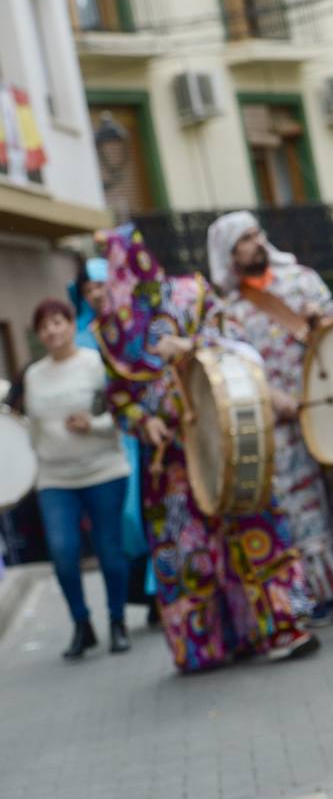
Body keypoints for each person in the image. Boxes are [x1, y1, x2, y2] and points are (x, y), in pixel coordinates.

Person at [96, 224, 319, 673]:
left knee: (257, 526)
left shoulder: (191, 294)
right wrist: (147, 422)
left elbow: (238, 344)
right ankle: (206, 643)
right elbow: (119, 399)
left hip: (225, 431)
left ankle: (285, 622)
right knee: (188, 548)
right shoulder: (113, 330)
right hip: (172, 460)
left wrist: (191, 345)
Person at [207, 211, 333, 620]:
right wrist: (271, 397)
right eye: (244, 240)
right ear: (230, 254)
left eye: (257, 234)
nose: (256, 243)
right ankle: (326, 592)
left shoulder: (302, 280)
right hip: (287, 416)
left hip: (329, 399)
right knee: (303, 506)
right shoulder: (230, 311)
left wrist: (322, 319)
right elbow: (237, 368)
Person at [22, 298, 132, 659]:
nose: (52, 330)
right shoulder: (33, 376)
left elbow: (120, 415)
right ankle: (81, 624)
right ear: (38, 335)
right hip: (55, 478)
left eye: (58, 322)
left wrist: (94, 425)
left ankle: (118, 621)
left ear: (71, 324)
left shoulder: (95, 365)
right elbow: (30, 430)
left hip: (104, 471)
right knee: (63, 552)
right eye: (44, 326)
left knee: (110, 551)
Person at [71, 258, 152, 622]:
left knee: (152, 510)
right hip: (113, 439)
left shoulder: (138, 325)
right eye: (89, 289)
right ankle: (144, 593)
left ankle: (161, 591)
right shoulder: (82, 338)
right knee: (127, 519)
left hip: (149, 431)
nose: (97, 294)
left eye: (101, 285)